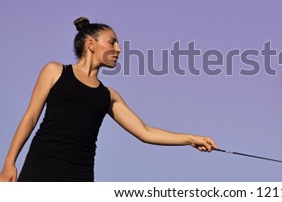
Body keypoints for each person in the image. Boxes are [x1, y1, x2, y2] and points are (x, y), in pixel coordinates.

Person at [0, 17, 218, 182]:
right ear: (91, 44)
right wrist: (9, 162)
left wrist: (191, 139)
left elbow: (145, 132)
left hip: (80, 174)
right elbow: (30, 117)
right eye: (112, 42)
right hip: (41, 165)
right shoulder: (54, 71)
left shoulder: (109, 96)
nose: (119, 49)